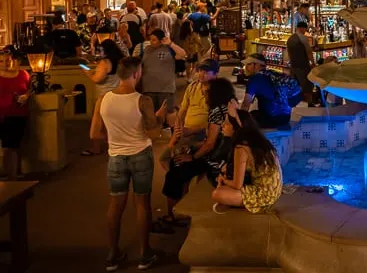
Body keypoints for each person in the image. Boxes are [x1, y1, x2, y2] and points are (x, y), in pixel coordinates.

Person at [89, 57, 168, 271]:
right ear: (136, 74)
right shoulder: (143, 101)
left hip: (115, 157)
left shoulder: (103, 99)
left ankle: (113, 254)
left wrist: (115, 139)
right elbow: (153, 133)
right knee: (142, 204)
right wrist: (160, 118)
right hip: (141, 154)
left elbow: (94, 133)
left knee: (115, 205)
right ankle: (144, 254)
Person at [160, 77, 235, 226]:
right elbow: (216, 138)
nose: (204, 95)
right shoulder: (230, 105)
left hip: (216, 159)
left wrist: (192, 156)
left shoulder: (216, 111)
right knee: (180, 165)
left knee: (175, 171)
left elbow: (210, 144)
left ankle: (174, 215)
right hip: (226, 154)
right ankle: (180, 205)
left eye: (206, 93)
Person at [211, 109, 283, 213]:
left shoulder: (241, 147)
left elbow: (237, 185)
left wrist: (223, 180)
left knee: (217, 193)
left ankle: (235, 202)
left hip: (264, 196)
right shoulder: (257, 141)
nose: (223, 126)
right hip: (273, 193)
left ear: (236, 127)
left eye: (227, 123)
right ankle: (233, 201)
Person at [81, 39, 126, 156]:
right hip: (118, 95)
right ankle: (115, 146)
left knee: (97, 126)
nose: (99, 53)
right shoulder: (121, 61)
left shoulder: (105, 63)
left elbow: (97, 79)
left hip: (104, 97)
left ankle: (97, 148)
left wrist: (87, 72)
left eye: (100, 50)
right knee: (111, 123)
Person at [241, 55, 303, 129]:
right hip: (285, 119)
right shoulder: (274, 75)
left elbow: (245, 104)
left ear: (256, 65)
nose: (246, 67)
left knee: (250, 116)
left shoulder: (254, 79)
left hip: (269, 120)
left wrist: (239, 122)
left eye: (248, 64)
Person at [140, 29, 186, 127]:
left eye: (154, 40)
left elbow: (182, 54)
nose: (151, 42)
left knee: (169, 111)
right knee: (152, 113)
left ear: (161, 40)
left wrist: (170, 44)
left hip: (165, 88)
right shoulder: (147, 49)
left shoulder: (169, 49)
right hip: (149, 88)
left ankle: (173, 133)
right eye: (150, 40)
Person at [0, 47, 31, 180]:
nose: (6, 63)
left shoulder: (23, 74)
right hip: (2, 114)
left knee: (15, 145)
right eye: (2, 61)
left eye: (8, 60)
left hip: (18, 114)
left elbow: (29, 89)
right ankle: (10, 174)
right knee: (7, 146)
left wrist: (26, 96)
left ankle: (13, 174)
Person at [286, 21, 314, 103]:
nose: (306, 31)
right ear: (302, 28)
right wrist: (313, 63)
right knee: (307, 87)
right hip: (303, 66)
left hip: (294, 67)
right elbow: (309, 52)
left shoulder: (290, 38)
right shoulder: (303, 38)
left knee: (295, 86)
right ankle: (309, 103)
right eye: (305, 29)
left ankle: (297, 102)